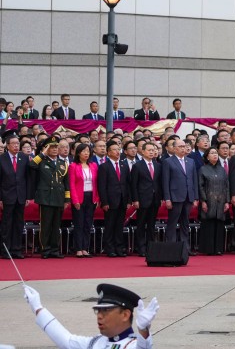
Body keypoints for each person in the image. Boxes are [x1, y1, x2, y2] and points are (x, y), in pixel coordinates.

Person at [24, 282, 159, 349]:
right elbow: (66, 340)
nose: (99, 316)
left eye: (105, 311)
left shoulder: (132, 345)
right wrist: (37, 307)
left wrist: (143, 330)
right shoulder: (96, 342)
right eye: (98, 311)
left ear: (125, 315)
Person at [162, 138, 199, 252]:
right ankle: (171, 248)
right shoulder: (168, 161)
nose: (184, 148)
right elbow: (165, 181)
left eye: (185, 146)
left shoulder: (190, 161)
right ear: (174, 148)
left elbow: (194, 180)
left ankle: (185, 248)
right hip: (175, 196)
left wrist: (195, 197)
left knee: (185, 223)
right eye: (181, 146)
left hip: (188, 196)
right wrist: (167, 198)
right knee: (172, 223)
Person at [96, 139, 130, 257]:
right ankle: (109, 248)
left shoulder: (123, 165)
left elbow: (127, 183)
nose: (117, 152)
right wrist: (104, 201)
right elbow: (102, 186)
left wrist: (128, 200)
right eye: (114, 150)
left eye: (118, 150)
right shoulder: (104, 167)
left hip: (122, 200)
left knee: (119, 225)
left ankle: (119, 248)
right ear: (108, 152)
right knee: (110, 225)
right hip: (110, 201)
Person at [0, 129, 30, 259]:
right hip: (7, 196)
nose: (16, 146)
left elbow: (27, 178)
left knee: (18, 224)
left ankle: (17, 249)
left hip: (21, 196)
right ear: (7, 145)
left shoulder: (24, 157)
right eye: (13, 144)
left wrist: (28, 196)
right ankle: (5, 250)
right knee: (7, 224)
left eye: (18, 143)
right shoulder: (2, 159)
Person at [130, 141, 161, 258]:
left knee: (152, 225)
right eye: (149, 150)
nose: (152, 152)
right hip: (142, 199)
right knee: (141, 224)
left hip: (155, 199)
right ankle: (141, 248)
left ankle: (151, 247)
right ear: (142, 152)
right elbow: (134, 184)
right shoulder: (137, 166)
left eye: (153, 150)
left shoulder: (158, 165)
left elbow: (159, 183)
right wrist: (135, 199)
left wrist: (161, 197)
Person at [197, 147, 229, 255]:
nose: (215, 155)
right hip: (208, 200)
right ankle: (208, 249)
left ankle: (218, 249)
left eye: (216, 153)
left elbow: (226, 186)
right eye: (212, 153)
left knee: (219, 224)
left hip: (221, 200)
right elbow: (200, 186)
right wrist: (203, 200)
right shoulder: (203, 169)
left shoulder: (222, 169)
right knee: (208, 223)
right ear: (207, 157)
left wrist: (226, 201)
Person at [69, 143, 99, 258]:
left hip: (91, 196)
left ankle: (85, 248)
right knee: (79, 224)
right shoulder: (73, 166)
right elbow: (72, 184)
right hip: (79, 197)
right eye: (84, 151)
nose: (86, 153)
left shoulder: (94, 165)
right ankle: (78, 248)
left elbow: (96, 183)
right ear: (78, 153)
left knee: (88, 224)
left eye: (88, 151)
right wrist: (75, 200)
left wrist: (96, 198)